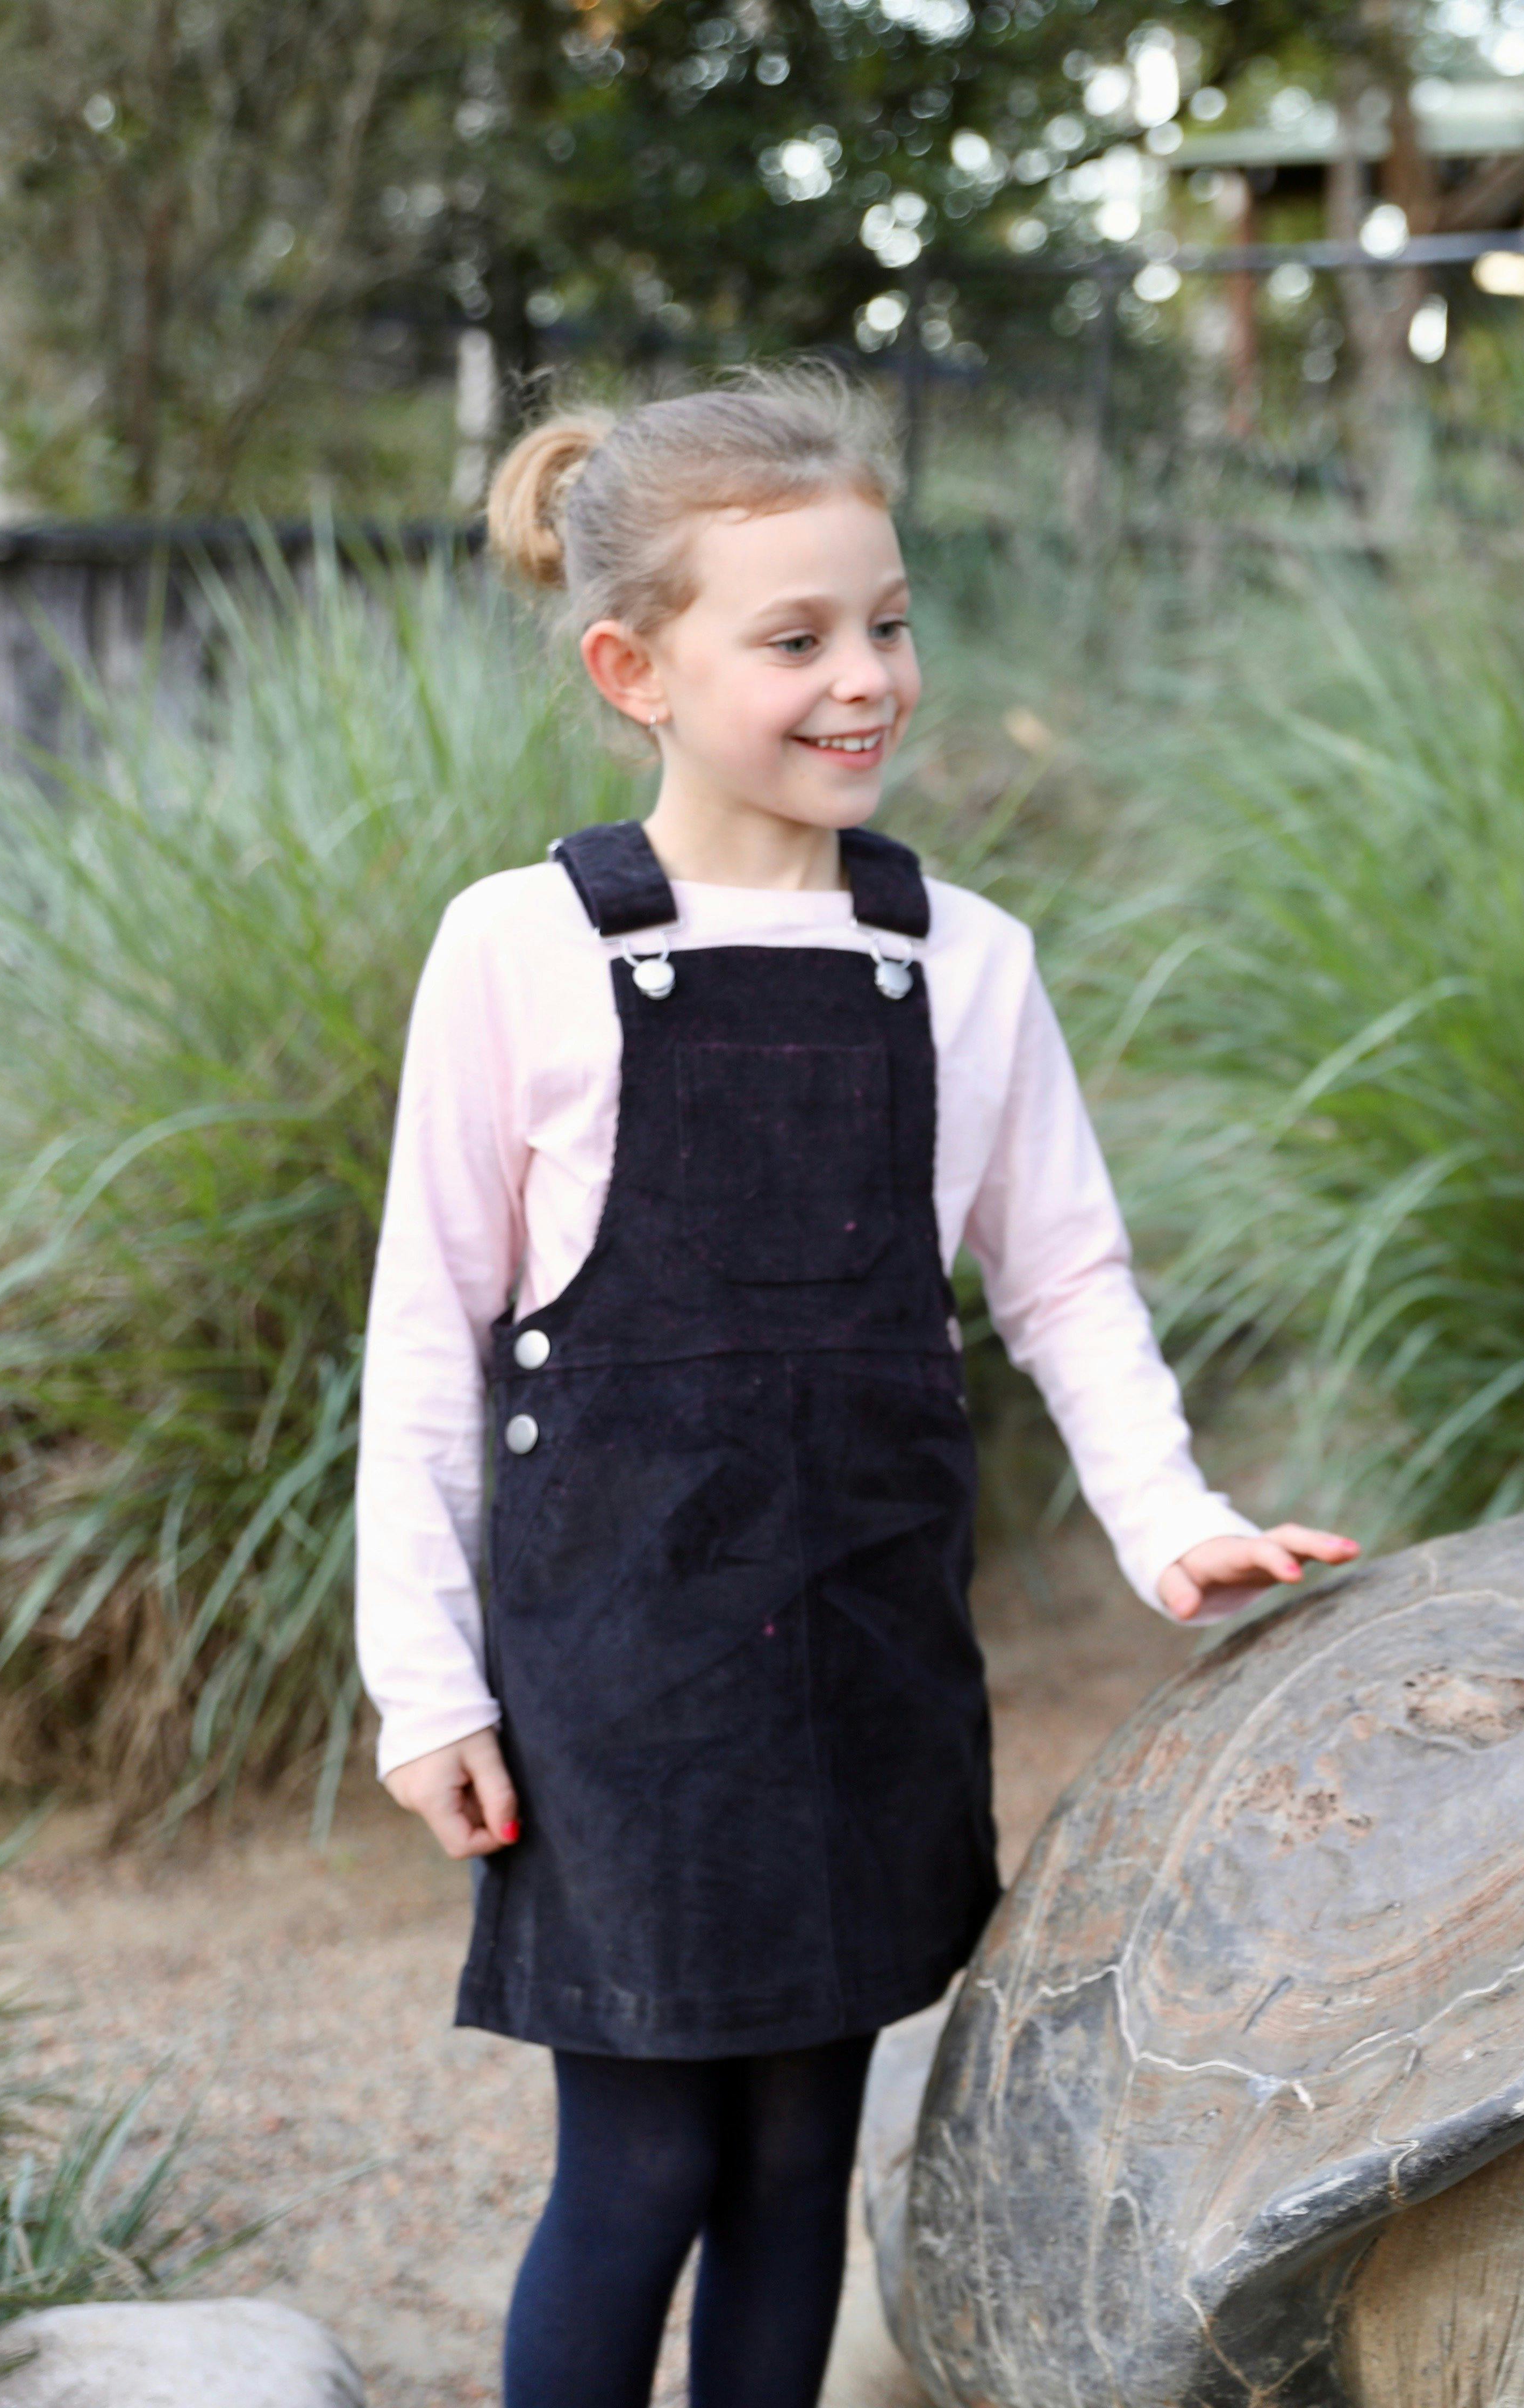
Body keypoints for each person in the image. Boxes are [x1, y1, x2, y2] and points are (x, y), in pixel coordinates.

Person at [354, 375, 1356, 2408]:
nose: (864, 679)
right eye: (795, 639)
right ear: (632, 666)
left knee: (805, 2161)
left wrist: (1172, 1522)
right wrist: (427, 1679)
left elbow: (1066, 1278)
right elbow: (426, 1341)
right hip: (618, 1675)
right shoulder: (522, 950)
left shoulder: (960, 956)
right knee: (642, 2164)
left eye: (886, 623)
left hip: (864, 1655)